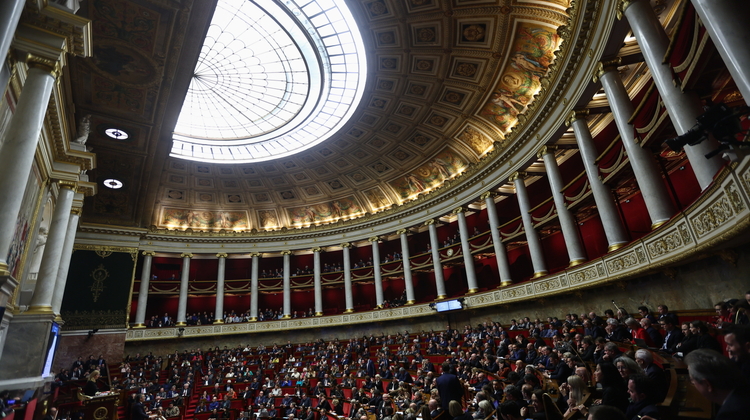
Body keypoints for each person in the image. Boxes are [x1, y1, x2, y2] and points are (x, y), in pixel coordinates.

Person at [685, 349, 750, 420]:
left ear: (707, 385)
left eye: (692, 380)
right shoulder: (744, 389)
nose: (692, 383)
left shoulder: (730, 414)